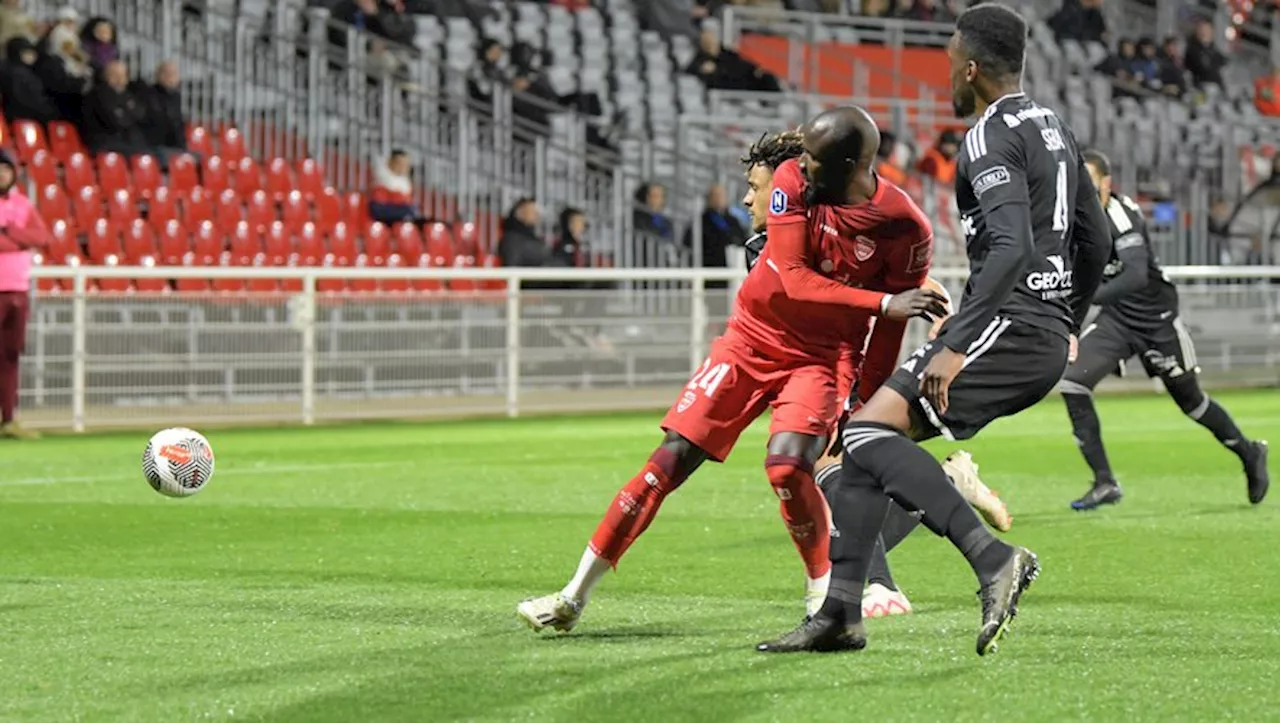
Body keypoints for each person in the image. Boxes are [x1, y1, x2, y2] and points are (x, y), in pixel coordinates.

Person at [757, 3, 1111, 656]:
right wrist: (1071, 319)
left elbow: (1008, 250)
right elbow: (1098, 239)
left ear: (971, 68)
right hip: (1034, 328)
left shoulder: (986, 139)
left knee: (861, 430)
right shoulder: (1054, 129)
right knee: (858, 446)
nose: (946, 72)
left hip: (1007, 325)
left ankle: (991, 557)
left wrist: (952, 343)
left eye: (950, 60)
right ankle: (841, 613)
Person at [516, 105, 950, 634]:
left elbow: (890, 324)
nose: (752, 196)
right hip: (747, 344)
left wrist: (863, 401)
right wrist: (883, 302)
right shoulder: (792, 183)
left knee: (790, 467)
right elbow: (795, 278)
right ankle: (571, 597)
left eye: (755, 187)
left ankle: (822, 601)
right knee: (664, 465)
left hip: (821, 358)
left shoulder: (903, 226)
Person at [735, 129, 1009, 620]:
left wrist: (946, 337)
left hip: (853, 368)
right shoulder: (764, 245)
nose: (749, 198)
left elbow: (922, 285)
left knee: (828, 469)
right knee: (832, 478)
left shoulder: (836, 225)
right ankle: (948, 486)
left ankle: (879, 586)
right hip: (812, 371)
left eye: (757, 186)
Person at [1061, 150, 1270, 510]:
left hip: (1155, 321)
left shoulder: (1121, 216)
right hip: (1116, 320)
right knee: (1071, 382)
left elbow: (1136, 274)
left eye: (1091, 186)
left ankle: (1249, 451)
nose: (1085, 193)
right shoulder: (1077, 216)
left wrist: (1085, 297)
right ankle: (1105, 481)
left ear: (1108, 185)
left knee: (1191, 402)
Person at [0, 150, 50, 440]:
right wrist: (19, 239)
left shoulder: (22, 205)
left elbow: (41, 238)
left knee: (10, 356)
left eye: (5, 170)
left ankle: (9, 417)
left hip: (18, 289)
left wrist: (11, 231)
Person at [368, 149, 426, 226]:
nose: (403, 167)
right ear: (390, 162)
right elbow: (377, 210)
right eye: (400, 163)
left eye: (406, 165)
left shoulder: (405, 184)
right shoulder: (381, 181)